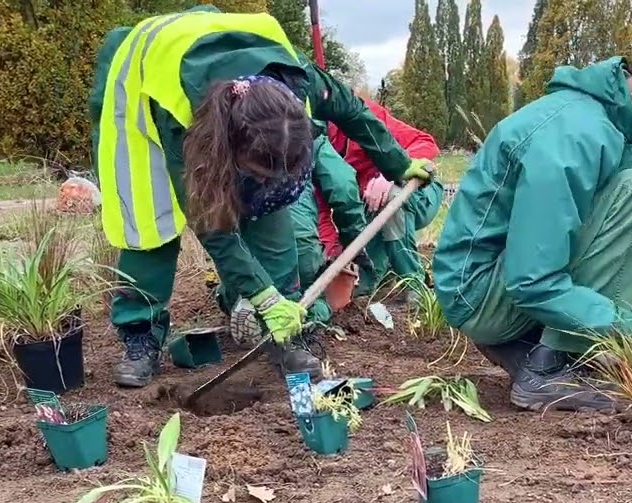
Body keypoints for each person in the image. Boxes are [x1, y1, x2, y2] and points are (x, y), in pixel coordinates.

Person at [90, 6, 434, 388]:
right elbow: (213, 227)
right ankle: (141, 333)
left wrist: (398, 165)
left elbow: (353, 112)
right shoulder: (184, 117)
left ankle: (285, 333)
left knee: (271, 213)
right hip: (143, 90)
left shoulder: (299, 79)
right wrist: (263, 298)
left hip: (231, 69)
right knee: (149, 223)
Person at [431, 25, 632, 413]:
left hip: (513, 275)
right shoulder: (574, 135)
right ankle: (551, 368)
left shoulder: (609, 127)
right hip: (478, 294)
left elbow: (588, 245)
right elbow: (533, 281)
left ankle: (544, 345)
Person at [321, 97, 444, 299]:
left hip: (418, 192)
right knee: (361, 286)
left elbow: (426, 143)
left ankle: (414, 284)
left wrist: (393, 172)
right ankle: (388, 273)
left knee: (391, 197)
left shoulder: (362, 115)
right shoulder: (314, 151)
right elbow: (321, 214)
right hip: (371, 209)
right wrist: (335, 257)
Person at [290, 123, 370, 322]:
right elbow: (343, 187)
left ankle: (239, 298)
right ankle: (314, 314)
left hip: (241, 243)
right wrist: (354, 244)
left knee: (247, 280)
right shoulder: (306, 133)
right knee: (309, 300)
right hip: (299, 248)